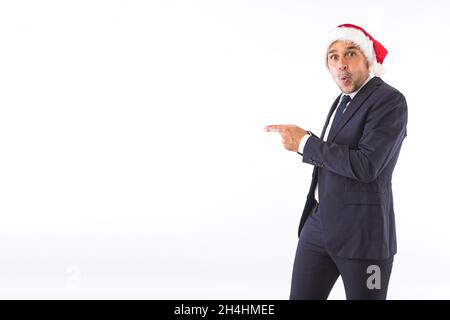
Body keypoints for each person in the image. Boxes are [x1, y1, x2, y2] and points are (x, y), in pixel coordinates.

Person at [264, 23, 408, 300]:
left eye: (350, 54)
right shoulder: (343, 100)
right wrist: (305, 142)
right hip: (319, 225)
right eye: (333, 56)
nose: (341, 64)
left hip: (363, 236)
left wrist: (306, 143)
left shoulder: (390, 100)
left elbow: (367, 166)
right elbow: (336, 152)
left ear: (367, 60)